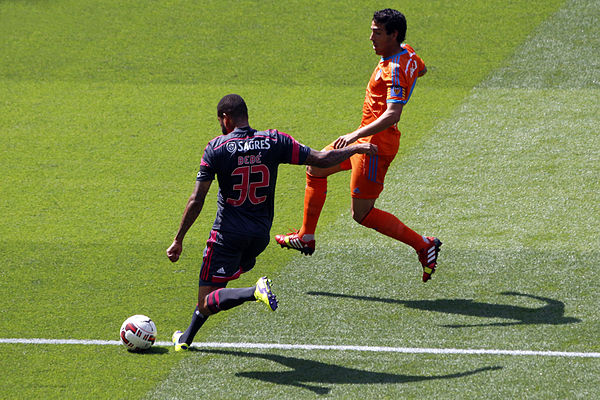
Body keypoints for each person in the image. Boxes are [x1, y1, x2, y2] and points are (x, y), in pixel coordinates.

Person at [167, 94, 377, 351]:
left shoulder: (217, 148)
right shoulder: (274, 140)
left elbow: (196, 200)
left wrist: (179, 238)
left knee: (207, 299)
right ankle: (185, 339)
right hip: (259, 237)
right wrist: (354, 148)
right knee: (215, 290)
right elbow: (321, 159)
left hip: (227, 235)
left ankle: (254, 291)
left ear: (226, 119)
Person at [275, 9, 442, 282]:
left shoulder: (395, 68)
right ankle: (306, 236)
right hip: (366, 141)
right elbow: (420, 70)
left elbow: (392, 114)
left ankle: (424, 245)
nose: (371, 37)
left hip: (374, 147)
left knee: (361, 214)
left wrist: (354, 135)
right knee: (316, 165)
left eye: (377, 33)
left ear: (393, 35)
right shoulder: (408, 53)